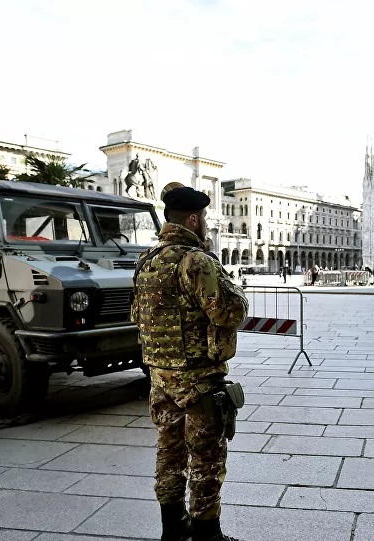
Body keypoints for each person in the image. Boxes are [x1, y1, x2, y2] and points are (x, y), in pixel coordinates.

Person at [133, 186, 249, 541]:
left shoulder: (147, 261)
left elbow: (137, 315)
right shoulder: (196, 261)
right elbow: (229, 312)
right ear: (194, 220)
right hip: (198, 380)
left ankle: (173, 527)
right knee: (206, 457)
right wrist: (235, 290)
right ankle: (206, 534)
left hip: (160, 379)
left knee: (169, 452)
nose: (207, 224)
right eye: (204, 218)